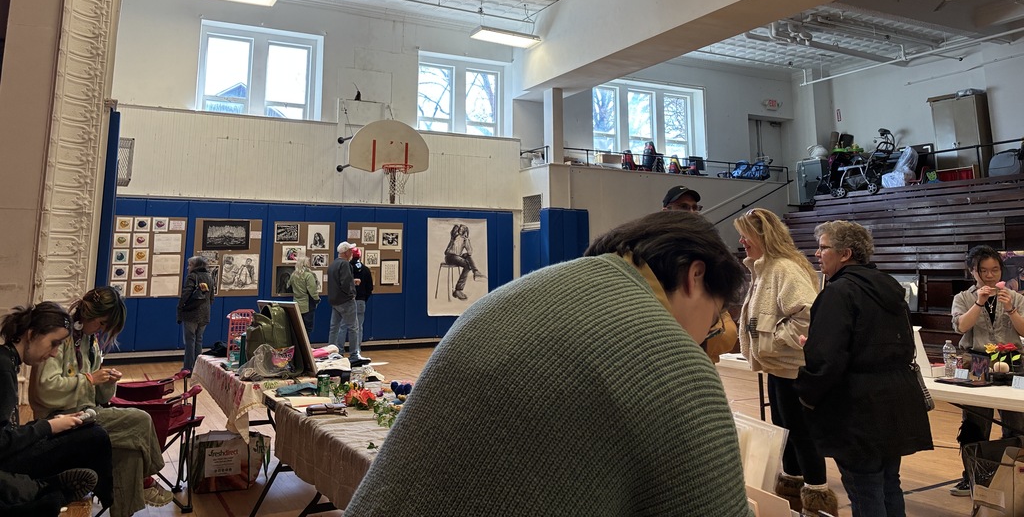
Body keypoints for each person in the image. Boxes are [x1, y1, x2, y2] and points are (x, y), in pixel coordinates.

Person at [345, 211, 753, 517]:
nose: (705, 337)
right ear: (694, 276)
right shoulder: (672, 361)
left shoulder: (512, 296)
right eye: (714, 318)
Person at [796, 220, 932, 517]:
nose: (817, 254)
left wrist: (805, 394)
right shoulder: (890, 286)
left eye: (823, 248)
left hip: (858, 407)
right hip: (895, 399)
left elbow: (827, 359)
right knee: (888, 484)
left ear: (845, 254)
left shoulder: (838, 293)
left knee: (865, 489)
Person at [29, 287, 172, 515]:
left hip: (86, 413)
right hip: (59, 421)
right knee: (141, 420)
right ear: (89, 314)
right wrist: (89, 379)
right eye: (102, 323)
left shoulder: (89, 340)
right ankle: (147, 480)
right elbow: (44, 391)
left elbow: (101, 397)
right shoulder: (61, 339)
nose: (102, 330)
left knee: (130, 452)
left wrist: (106, 381)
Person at [734, 208, 835, 516]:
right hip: (779, 368)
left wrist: (775, 340)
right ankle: (792, 492)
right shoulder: (764, 268)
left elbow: (807, 315)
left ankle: (817, 500)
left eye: (746, 235)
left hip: (794, 368)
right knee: (785, 431)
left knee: (802, 435)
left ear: (763, 236)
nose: (742, 241)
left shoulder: (784, 269)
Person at [0, 301, 112, 514]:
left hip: (9, 454)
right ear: (32, 334)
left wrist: (53, 425)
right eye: (54, 343)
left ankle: (50, 488)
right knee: (94, 436)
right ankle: (51, 488)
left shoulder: (7, 362)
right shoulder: (3, 368)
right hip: (6, 460)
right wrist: (48, 427)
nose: (54, 353)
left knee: (88, 431)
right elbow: (2, 441)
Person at [948, 245, 1024, 496]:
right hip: (977, 361)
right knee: (975, 423)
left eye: (995, 270)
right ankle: (972, 476)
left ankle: (1012, 476)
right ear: (973, 272)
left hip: (1012, 360)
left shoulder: (1017, 297)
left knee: (1016, 422)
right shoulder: (963, 298)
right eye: (983, 271)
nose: (990, 276)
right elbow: (961, 327)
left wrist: (1012, 309)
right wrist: (979, 302)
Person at [662, 186, 738, 362]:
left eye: (695, 207)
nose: (692, 212)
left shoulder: (709, 247)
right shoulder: (655, 249)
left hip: (703, 348)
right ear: (666, 212)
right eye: (683, 207)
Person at [177, 255, 214, 373]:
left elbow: (186, 294)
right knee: (199, 340)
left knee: (189, 342)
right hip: (205, 314)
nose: (188, 267)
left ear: (196, 266)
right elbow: (212, 298)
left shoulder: (192, 276)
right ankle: (199, 368)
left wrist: (180, 307)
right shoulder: (209, 277)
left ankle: (188, 368)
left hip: (191, 313)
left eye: (190, 265)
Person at [328, 242, 364, 365]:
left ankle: (331, 352)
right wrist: (352, 294)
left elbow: (339, 282)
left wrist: (352, 282)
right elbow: (345, 284)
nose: (351, 253)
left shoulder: (333, 264)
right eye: (350, 250)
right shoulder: (345, 264)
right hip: (346, 301)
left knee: (334, 328)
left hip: (335, 301)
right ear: (346, 252)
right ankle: (355, 354)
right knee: (354, 327)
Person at [443, 224, 485, 301]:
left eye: (462, 230)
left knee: (467, 256)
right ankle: (458, 290)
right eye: (461, 230)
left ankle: (475, 272)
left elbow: (470, 252)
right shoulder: (456, 237)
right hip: (450, 257)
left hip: (454, 257)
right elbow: (446, 252)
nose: (461, 232)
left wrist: (466, 241)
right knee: (467, 265)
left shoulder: (463, 239)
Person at [287, 255, 321, 334]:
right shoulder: (309, 275)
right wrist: (317, 299)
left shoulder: (293, 275)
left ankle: (299, 346)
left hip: (296, 304)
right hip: (307, 304)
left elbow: (288, 286)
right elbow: (312, 291)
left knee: (298, 328)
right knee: (307, 329)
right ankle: (306, 346)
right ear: (305, 263)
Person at [351, 248, 374, 355]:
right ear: (360, 256)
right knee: (359, 326)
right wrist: (364, 297)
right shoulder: (365, 269)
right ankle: (357, 350)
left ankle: (339, 349)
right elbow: (370, 287)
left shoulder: (347, 268)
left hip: (348, 300)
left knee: (342, 326)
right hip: (361, 300)